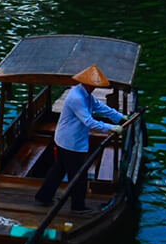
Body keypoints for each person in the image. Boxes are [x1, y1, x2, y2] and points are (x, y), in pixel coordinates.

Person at [35, 64, 126, 212]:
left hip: (66, 139)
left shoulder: (86, 94)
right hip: (70, 142)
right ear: (88, 84)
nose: (95, 88)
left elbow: (101, 108)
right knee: (78, 176)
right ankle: (77, 206)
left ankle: (43, 196)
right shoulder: (76, 97)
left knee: (58, 170)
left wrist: (120, 118)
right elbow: (88, 121)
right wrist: (111, 128)